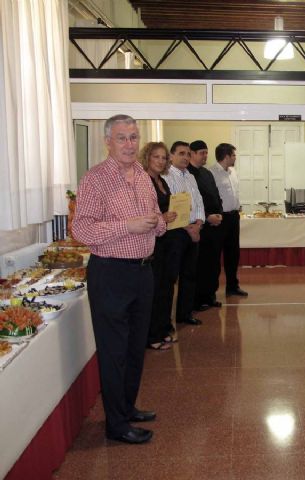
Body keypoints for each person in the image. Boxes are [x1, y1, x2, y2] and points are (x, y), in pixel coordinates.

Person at [74, 114, 166, 444]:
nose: (129, 144)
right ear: (107, 142)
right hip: (111, 272)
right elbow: (81, 229)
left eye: (133, 137)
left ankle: (126, 407)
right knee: (114, 351)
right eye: (122, 138)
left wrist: (157, 223)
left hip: (142, 271)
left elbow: (156, 221)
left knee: (134, 348)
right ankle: (116, 424)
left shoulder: (142, 175)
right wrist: (127, 226)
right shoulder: (95, 179)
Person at [162, 141, 206, 326]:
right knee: (171, 278)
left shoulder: (190, 177)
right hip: (176, 233)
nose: (186, 157)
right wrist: (189, 229)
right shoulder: (166, 176)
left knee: (190, 275)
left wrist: (199, 223)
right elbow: (174, 206)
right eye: (181, 153)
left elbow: (198, 202)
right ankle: (165, 321)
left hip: (193, 231)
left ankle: (185, 314)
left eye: (188, 154)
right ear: (171, 156)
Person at [139, 141, 177, 350]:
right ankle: (151, 336)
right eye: (156, 157)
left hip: (167, 239)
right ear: (147, 157)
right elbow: (144, 215)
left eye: (164, 158)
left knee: (166, 287)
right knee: (154, 290)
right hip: (152, 242)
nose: (161, 161)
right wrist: (162, 217)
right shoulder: (143, 181)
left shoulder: (162, 180)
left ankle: (163, 329)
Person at [187, 140, 224, 310]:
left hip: (215, 225)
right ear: (192, 153)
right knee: (200, 265)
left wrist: (220, 215)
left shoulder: (207, 173)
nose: (205, 156)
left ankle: (210, 295)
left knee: (213, 264)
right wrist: (208, 217)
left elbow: (216, 195)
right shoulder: (188, 174)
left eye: (206, 152)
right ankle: (198, 299)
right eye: (201, 152)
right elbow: (192, 202)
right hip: (202, 225)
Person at [211, 143, 248, 297]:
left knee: (233, 254)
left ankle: (232, 286)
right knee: (215, 255)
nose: (235, 158)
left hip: (234, 217)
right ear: (226, 156)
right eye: (233, 155)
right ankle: (211, 291)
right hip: (220, 218)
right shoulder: (211, 173)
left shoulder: (233, 171)